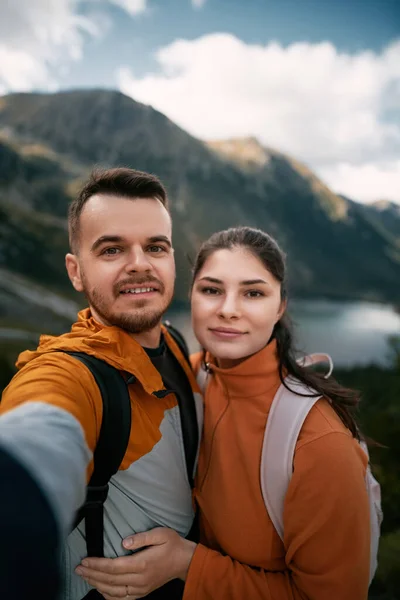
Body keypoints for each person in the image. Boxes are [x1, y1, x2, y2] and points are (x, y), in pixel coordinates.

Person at [77, 226, 371, 600]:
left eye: (253, 293)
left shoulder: (319, 443)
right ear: (192, 296)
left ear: (280, 306)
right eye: (211, 290)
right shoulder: (190, 376)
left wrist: (188, 565)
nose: (228, 310)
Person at [0, 167, 201, 600]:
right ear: (76, 271)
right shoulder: (73, 373)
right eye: (112, 249)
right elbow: (39, 430)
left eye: (155, 247)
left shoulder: (174, 341)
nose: (139, 264)